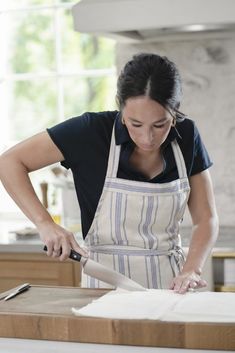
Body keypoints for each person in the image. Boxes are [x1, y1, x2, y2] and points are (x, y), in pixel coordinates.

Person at [0, 53, 218, 294]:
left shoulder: (187, 136)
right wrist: (44, 223)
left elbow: (205, 218)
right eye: (135, 124)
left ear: (175, 113)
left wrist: (192, 270)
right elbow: (9, 162)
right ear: (120, 107)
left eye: (160, 124)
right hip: (103, 286)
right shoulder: (91, 132)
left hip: (170, 286)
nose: (147, 138)